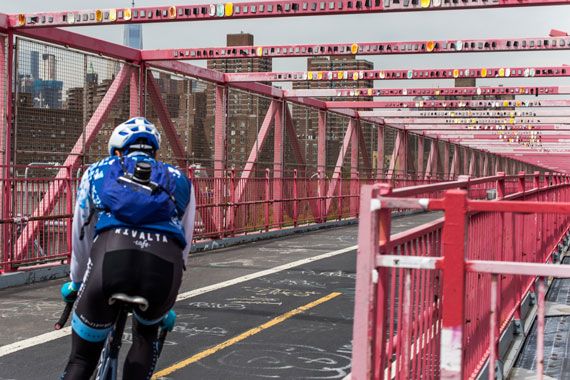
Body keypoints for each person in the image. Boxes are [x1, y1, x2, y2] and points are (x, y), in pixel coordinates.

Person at [60, 117, 196, 379]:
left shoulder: (97, 171)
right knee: (145, 337)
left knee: (81, 359)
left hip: (111, 258)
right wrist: (165, 305)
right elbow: (184, 245)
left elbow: (81, 233)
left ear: (117, 151)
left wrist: (77, 282)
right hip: (162, 267)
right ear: (154, 152)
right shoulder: (180, 180)